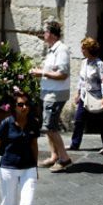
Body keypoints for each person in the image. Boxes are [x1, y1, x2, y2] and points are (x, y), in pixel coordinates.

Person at [30, 20, 73, 173]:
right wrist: (40, 71)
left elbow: (62, 74)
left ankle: (64, 158)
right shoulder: (52, 50)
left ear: (53, 35)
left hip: (55, 95)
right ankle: (54, 156)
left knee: (50, 127)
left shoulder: (61, 50)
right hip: (48, 93)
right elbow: (52, 71)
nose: (44, 35)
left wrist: (41, 73)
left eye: (46, 32)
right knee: (49, 127)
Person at [69, 37, 103, 154]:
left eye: (83, 48)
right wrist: (77, 94)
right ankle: (74, 144)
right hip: (84, 96)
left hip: (97, 97)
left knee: (102, 122)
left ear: (89, 49)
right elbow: (81, 80)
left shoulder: (100, 64)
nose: (81, 50)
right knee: (78, 120)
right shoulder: (84, 62)